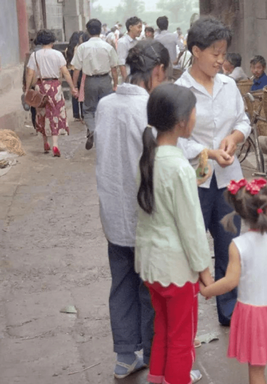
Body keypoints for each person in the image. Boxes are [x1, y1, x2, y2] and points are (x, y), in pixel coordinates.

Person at [94, 39, 171, 380]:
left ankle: (126, 357)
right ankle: (157, 359)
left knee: (122, 283)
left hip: (113, 214)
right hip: (145, 214)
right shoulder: (150, 110)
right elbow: (157, 164)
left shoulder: (106, 105)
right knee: (151, 289)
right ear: (157, 72)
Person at [175, 17, 251, 326]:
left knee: (229, 245)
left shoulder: (228, 84)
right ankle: (184, 316)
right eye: (215, 53)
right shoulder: (180, 91)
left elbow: (243, 121)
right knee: (189, 250)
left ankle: (229, 312)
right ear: (196, 50)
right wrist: (207, 152)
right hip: (196, 180)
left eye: (224, 53)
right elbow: (176, 139)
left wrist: (233, 138)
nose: (221, 60)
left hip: (229, 181)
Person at [135, 83, 211, 384]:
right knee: (182, 339)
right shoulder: (178, 167)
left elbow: (159, 203)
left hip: (151, 264)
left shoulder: (149, 159)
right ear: (182, 121)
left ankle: (158, 378)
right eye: (194, 112)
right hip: (177, 268)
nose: (196, 118)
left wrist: (193, 178)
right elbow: (191, 228)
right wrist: (204, 270)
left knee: (163, 330)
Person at [199, 177, 267, 384]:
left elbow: (230, 281)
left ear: (242, 213)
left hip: (253, 314)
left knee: (256, 368)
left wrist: (207, 290)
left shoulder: (238, 244)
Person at [23, 29, 78, 157]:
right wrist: (72, 87)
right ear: (52, 41)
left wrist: (27, 89)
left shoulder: (34, 55)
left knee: (42, 114)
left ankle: (45, 143)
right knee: (55, 114)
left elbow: (30, 73)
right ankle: (55, 145)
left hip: (40, 86)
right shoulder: (57, 54)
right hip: (55, 87)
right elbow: (65, 73)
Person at [71, 18, 119, 150]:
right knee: (106, 108)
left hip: (90, 81)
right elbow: (114, 69)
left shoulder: (82, 47)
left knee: (88, 109)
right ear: (100, 30)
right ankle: (105, 135)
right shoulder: (108, 47)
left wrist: (74, 86)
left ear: (87, 31)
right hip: (105, 80)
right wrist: (115, 84)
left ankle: (92, 130)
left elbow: (76, 69)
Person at [66, 31, 90, 122]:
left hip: (73, 71)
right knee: (82, 92)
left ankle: (76, 114)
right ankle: (83, 113)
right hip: (81, 71)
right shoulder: (81, 48)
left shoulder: (69, 49)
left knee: (75, 92)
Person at [22, 34, 43, 133]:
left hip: (33, 83)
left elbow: (26, 71)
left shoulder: (30, 55)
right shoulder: (50, 53)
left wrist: (25, 85)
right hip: (47, 82)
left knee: (34, 105)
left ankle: (36, 127)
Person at [155, 16, 185, 80]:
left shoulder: (157, 38)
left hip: (162, 67)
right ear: (167, 24)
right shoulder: (174, 36)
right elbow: (182, 48)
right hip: (174, 65)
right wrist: (177, 59)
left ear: (158, 26)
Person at [118, 16, 143, 81]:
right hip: (129, 78)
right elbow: (122, 63)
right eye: (139, 27)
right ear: (130, 27)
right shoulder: (123, 42)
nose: (141, 30)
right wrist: (126, 80)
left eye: (141, 27)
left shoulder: (137, 42)